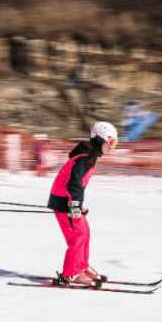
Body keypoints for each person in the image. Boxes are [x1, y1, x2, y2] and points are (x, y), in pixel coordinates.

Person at [47, 121, 119, 287]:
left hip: (67, 200)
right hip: (64, 201)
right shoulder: (84, 159)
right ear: (101, 140)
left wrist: (78, 205)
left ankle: (81, 266)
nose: (112, 147)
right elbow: (74, 185)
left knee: (84, 231)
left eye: (115, 143)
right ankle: (70, 274)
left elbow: (78, 186)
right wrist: (74, 206)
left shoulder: (89, 157)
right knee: (77, 236)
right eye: (111, 142)